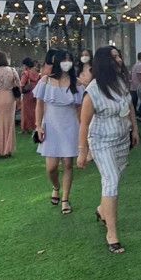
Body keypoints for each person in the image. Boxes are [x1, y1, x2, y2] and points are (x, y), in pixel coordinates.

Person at [77, 46, 139, 254]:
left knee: (114, 180)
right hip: (101, 141)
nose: (118, 60)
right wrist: (82, 151)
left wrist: (135, 129)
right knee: (111, 180)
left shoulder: (120, 82)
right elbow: (84, 124)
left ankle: (102, 210)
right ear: (104, 62)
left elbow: (129, 106)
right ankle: (112, 234)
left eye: (119, 56)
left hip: (122, 139)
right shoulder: (93, 90)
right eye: (113, 57)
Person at [35, 50, 83, 215]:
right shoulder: (46, 81)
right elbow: (39, 104)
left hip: (70, 125)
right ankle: (56, 187)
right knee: (51, 167)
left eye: (70, 60)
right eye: (64, 60)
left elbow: (80, 108)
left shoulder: (77, 83)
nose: (67, 63)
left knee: (68, 164)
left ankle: (65, 199)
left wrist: (83, 129)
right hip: (51, 125)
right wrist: (38, 126)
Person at [19, 57, 41, 133]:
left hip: (28, 94)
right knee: (35, 111)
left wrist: (21, 89)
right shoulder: (37, 72)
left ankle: (25, 128)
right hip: (36, 92)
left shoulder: (26, 73)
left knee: (26, 112)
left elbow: (22, 84)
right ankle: (35, 126)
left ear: (26, 65)